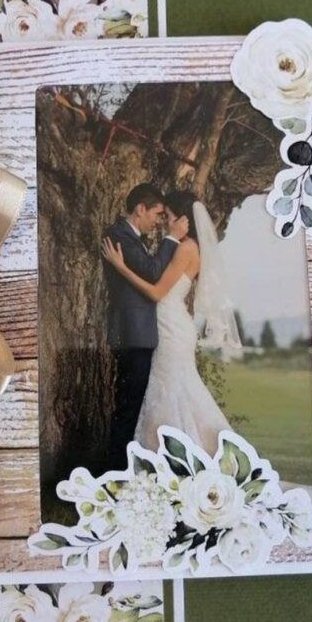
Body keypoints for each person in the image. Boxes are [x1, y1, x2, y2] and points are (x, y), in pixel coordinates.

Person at [102, 190, 240, 456]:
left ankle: (180, 453)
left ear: (183, 219)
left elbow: (156, 292)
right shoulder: (186, 246)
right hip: (169, 325)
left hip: (171, 328)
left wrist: (121, 268)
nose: (165, 221)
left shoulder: (186, 248)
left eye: (169, 216)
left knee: (173, 391)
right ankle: (166, 454)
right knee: (170, 392)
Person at [102, 183, 188, 470]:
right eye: (157, 213)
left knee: (132, 403)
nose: (158, 220)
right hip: (131, 333)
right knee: (128, 406)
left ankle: (121, 466)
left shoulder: (131, 237)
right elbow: (152, 272)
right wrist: (173, 239)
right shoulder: (118, 235)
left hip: (137, 332)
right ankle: (116, 470)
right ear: (140, 208)